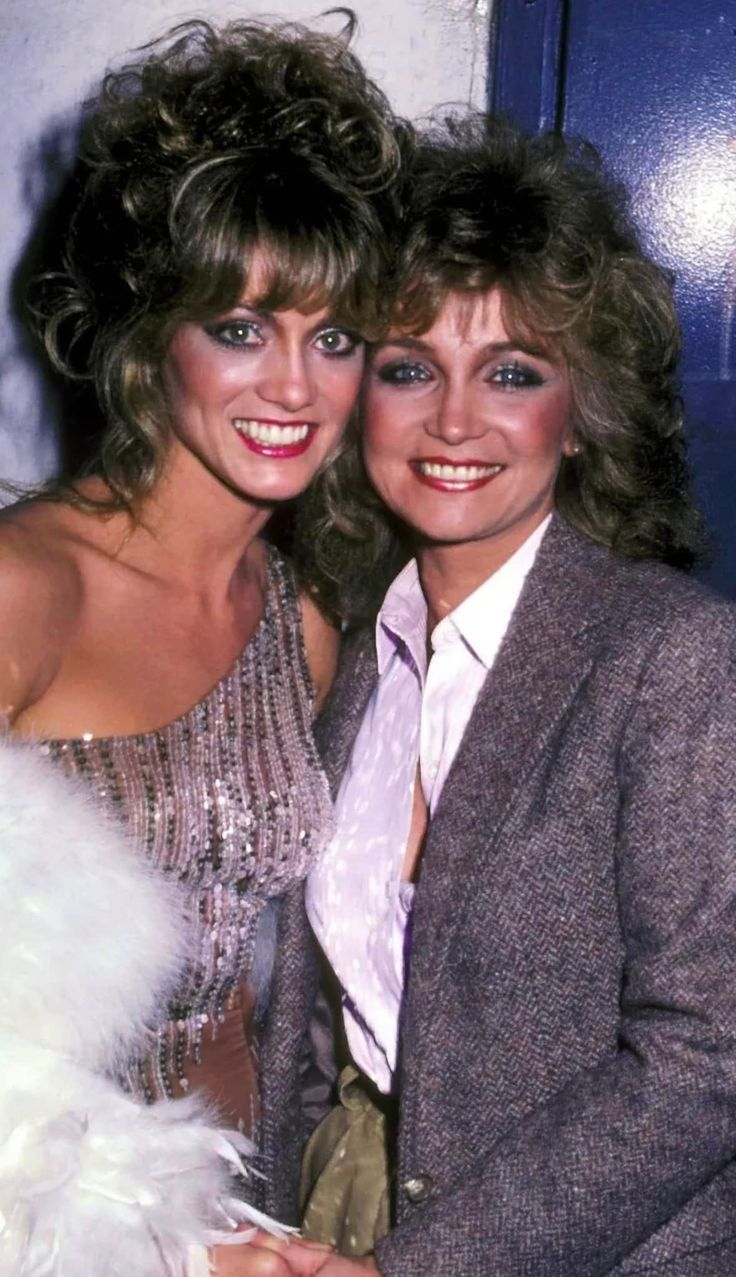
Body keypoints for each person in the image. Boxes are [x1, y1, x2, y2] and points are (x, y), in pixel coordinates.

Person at [263, 115, 736, 1274]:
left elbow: (707, 1055)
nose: (456, 421)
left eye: (512, 371)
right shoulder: (345, 646)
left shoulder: (672, 659)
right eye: (409, 367)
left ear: (579, 416)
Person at [0, 16, 408, 1276]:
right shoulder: (29, 588)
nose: (292, 385)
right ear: (149, 337)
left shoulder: (303, 629)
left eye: (333, 337)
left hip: (248, 1206)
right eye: (239, 328)